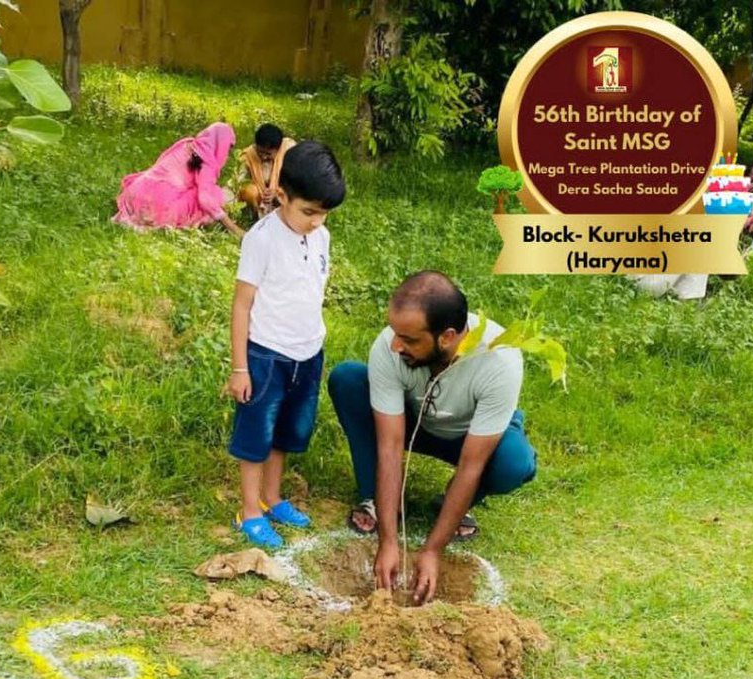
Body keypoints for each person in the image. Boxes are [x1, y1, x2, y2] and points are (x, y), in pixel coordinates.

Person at [327, 271, 537, 604]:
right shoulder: (389, 346)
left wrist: (432, 550)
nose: (397, 345)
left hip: (470, 438)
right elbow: (391, 445)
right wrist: (389, 541)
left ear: (447, 337)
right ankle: (376, 501)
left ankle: (454, 504)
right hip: (415, 424)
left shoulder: (500, 360)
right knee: (349, 380)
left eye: (409, 340)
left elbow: (472, 464)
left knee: (515, 463)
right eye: (396, 334)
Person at [225, 141, 346, 549]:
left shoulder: (321, 236)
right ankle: (250, 510)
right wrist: (240, 367)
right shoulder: (261, 239)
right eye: (308, 211)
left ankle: (272, 497)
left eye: (324, 212)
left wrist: (309, 336)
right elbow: (242, 306)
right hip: (265, 355)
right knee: (256, 434)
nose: (317, 221)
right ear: (282, 195)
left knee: (288, 432)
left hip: (307, 353)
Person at [113, 121, 244, 238]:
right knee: (216, 195)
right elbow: (205, 199)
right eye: (228, 147)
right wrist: (233, 228)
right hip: (158, 204)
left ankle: (135, 215)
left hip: (136, 192)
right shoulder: (207, 162)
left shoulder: (187, 143)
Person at [236, 123, 297, 220]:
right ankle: (256, 219)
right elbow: (237, 181)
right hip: (260, 198)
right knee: (249, 191)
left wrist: (278, 191)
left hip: (283, 193)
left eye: (268, 154)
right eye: (261, 152)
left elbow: (297, 176)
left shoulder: (288, 148)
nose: (264, 157)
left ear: (278, 149)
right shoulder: (248, 155)